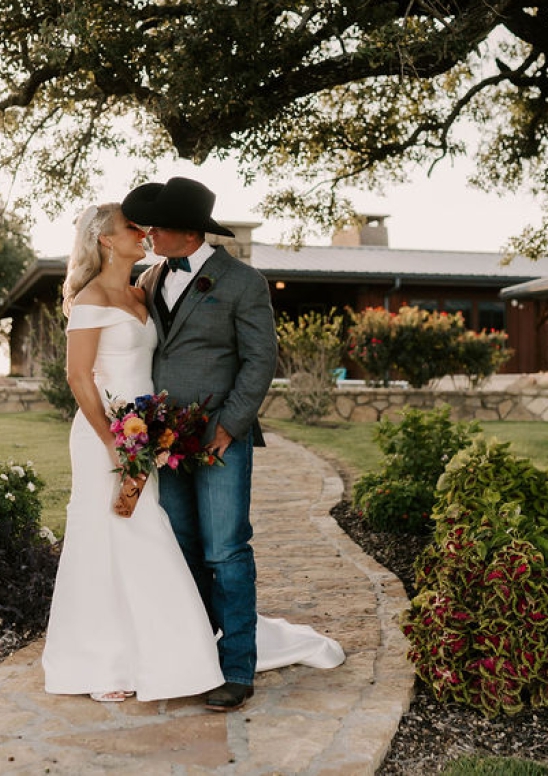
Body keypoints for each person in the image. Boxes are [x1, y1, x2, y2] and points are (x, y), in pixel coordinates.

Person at [41, 195, 343, 709]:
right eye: (135, 226)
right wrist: (123, 440)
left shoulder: (237, 282)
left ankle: (237, 669)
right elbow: (81, 373)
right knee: (164, 545)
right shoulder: (149, 281)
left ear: (186, 231)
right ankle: (165, 654)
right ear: (106, 240)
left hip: (210, 437)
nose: (146, 232)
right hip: (143, 440)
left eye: (153, 226)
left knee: (224, 549)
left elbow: (260, 359)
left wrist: (230, 425)